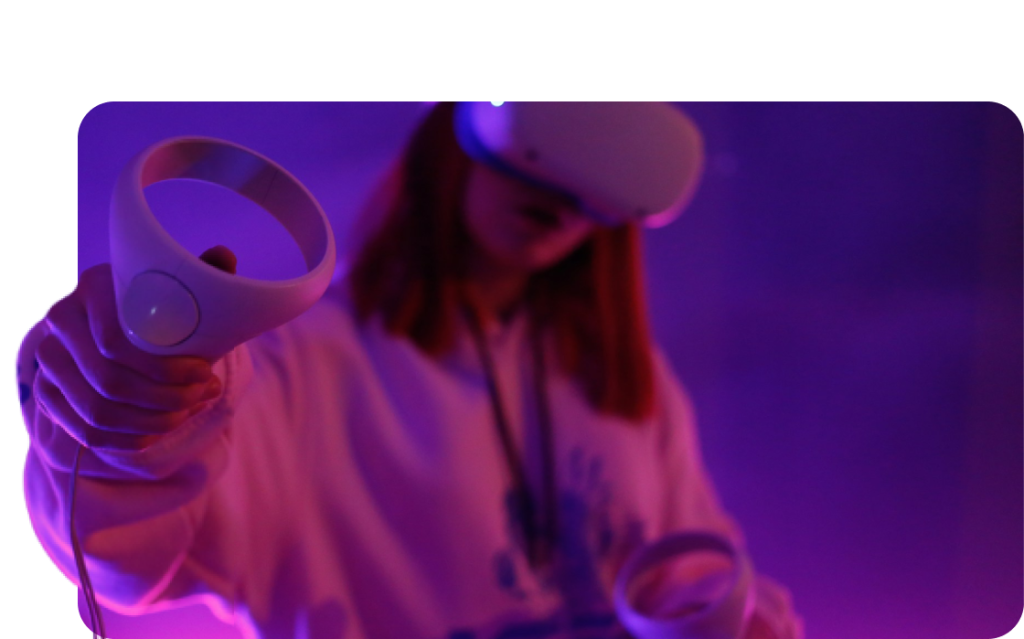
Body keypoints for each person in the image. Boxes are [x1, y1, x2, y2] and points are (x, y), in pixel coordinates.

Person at [20, 102, 803, 638]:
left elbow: (687, 567)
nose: (563, 193)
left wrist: (740, 618)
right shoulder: (306, 365)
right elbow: (124, 554)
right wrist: (133, 417)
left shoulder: (626, 380)